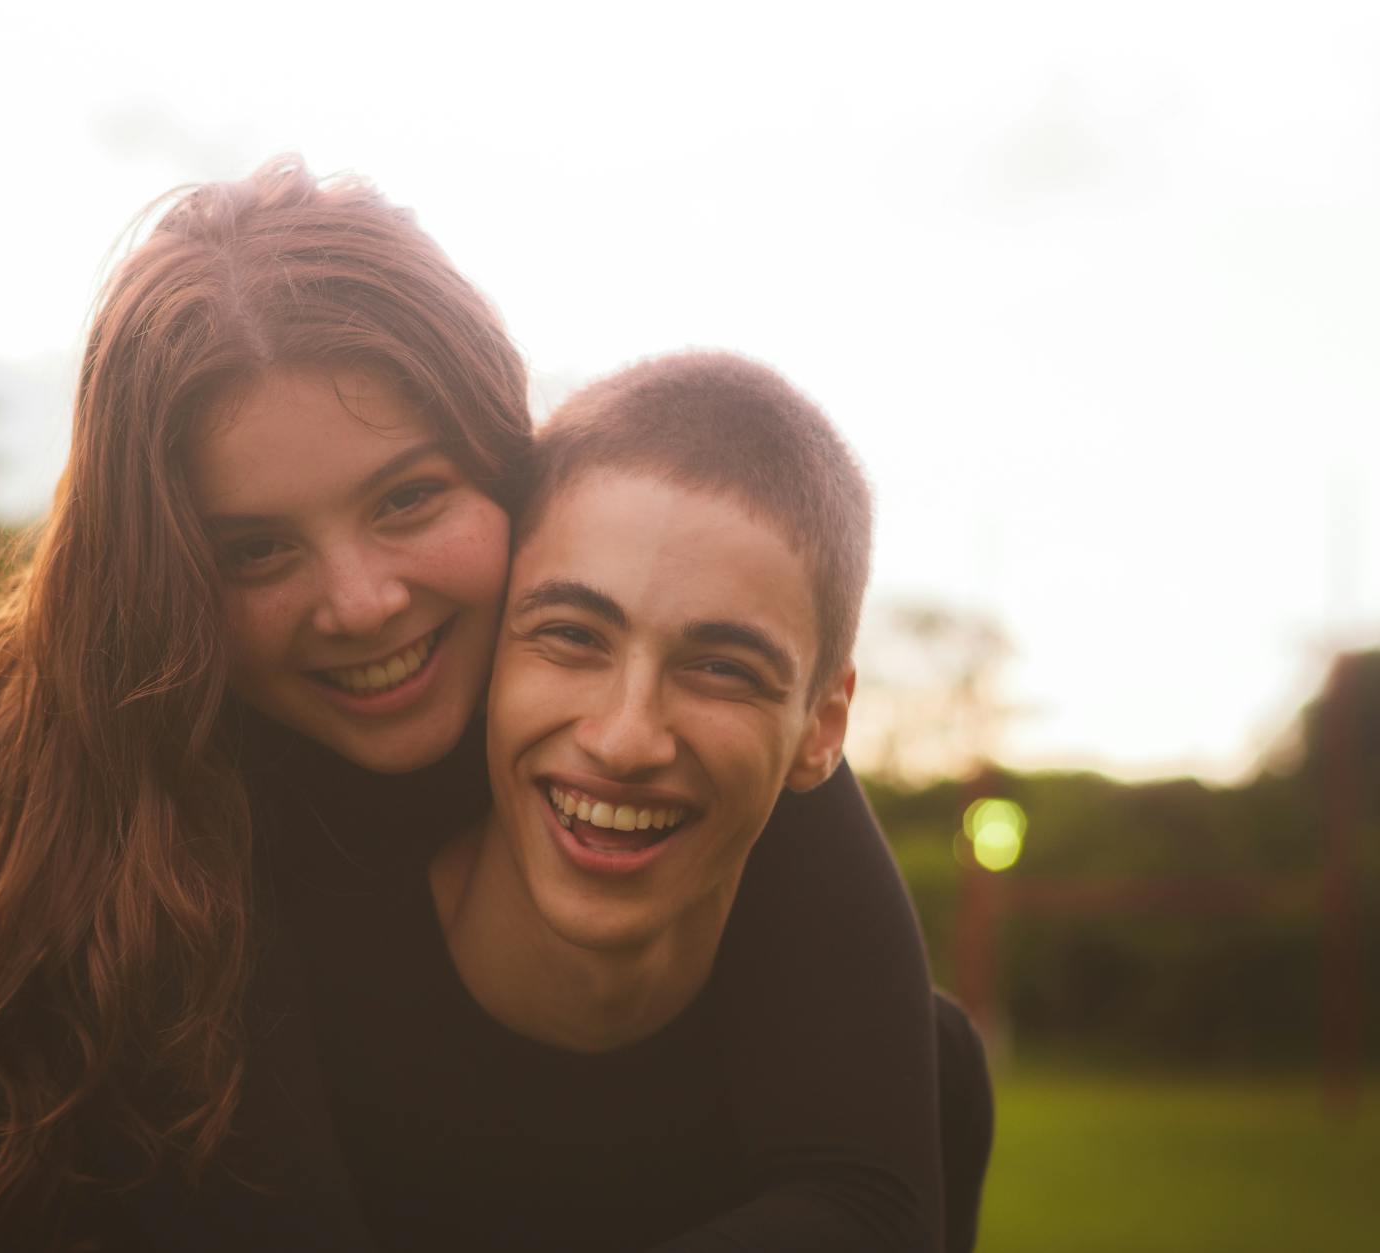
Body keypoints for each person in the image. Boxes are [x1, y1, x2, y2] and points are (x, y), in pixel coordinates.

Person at [0, 160, 963, 1251]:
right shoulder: (171, 865)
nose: (359, 602)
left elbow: (870, 1192)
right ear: (170, 582)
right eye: (254, 551)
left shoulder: (661, 712)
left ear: (514, 471)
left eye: (406, 499)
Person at [302, 350, 992, 1252]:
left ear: (822, 728)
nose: (626, 738)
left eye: (721, 668)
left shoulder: (910, 1086)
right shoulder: (271, 1002)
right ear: (484, 657)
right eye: (572, 635)